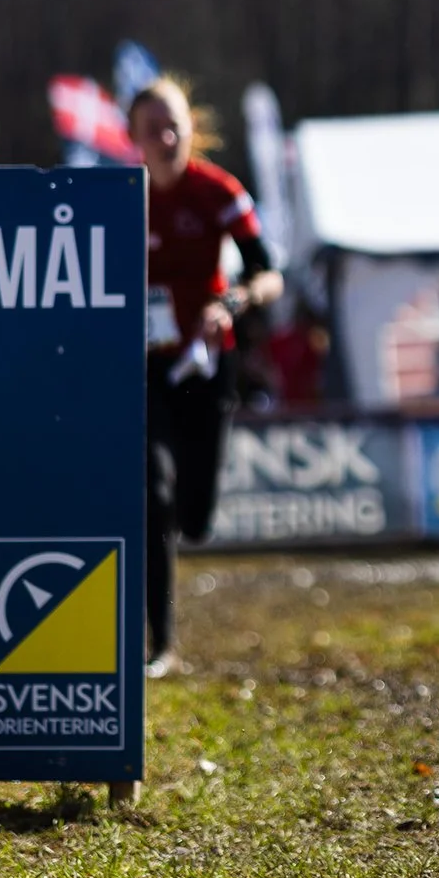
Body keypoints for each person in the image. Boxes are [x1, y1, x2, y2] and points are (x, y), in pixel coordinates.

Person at [129, 77, 282, 677]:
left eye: (175, 126)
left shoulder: (218, 191)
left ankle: (188, 520)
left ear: (191, 128)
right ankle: (158, 643)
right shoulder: (120, 196)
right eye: (152, 129)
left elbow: (271, 274)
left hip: (209, 363)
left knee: (194, 516)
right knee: (153, 493)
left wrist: (236, 303)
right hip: (146, 367)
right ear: (134, 138)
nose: (166, 138)